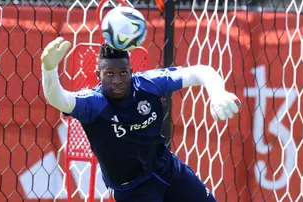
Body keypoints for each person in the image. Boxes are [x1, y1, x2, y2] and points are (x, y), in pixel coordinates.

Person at [41, 37, 240, 202]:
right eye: (109, 74)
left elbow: (199, 71)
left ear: (131, 72)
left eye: (123, 73)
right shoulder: (93, 104)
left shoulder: (148, 84)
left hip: (167, 170)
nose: (117, 80)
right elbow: (60, 99)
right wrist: (49, 70)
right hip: (132, 191)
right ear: (98, 75)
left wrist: (217, 93)